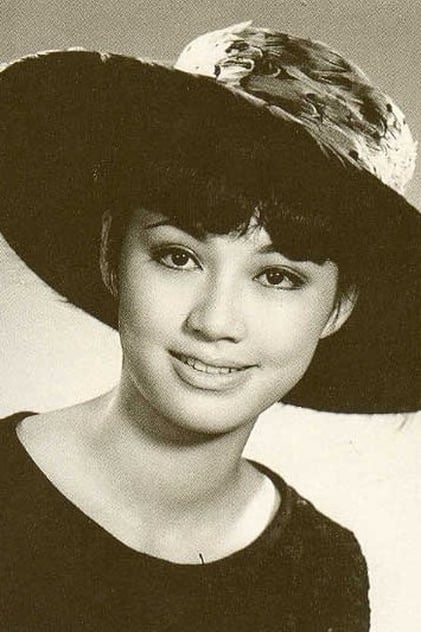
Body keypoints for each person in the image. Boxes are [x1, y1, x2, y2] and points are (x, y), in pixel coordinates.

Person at [0, 38, 419, 631]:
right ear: (112, 258)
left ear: (337, 309)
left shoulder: (321, 570)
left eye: (277, 277)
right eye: (178, 257)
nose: (215, 322)